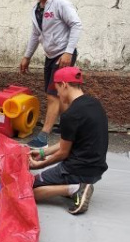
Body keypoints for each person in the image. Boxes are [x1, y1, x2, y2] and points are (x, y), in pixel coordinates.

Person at [28, 66, 108, 215]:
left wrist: (40, 165)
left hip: (76, 169)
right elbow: (68, 142)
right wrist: (42, 151)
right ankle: (76, 186)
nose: (57, 93)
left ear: (64, 84)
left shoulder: (71, 115)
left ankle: (75, 188)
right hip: (96, 168)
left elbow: (63, 153)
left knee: (28, 189)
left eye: (57, 88)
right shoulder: (95, 104)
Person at [19, 0, 83, 148]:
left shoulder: (60, 2)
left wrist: (68, 52)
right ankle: (69, 128)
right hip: (51, 56)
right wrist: (27, 56)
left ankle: (43, 136)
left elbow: (76, 24)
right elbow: (35, 35)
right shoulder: (36, 9)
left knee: (52, 95)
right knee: (60, 96)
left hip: (63, 55)